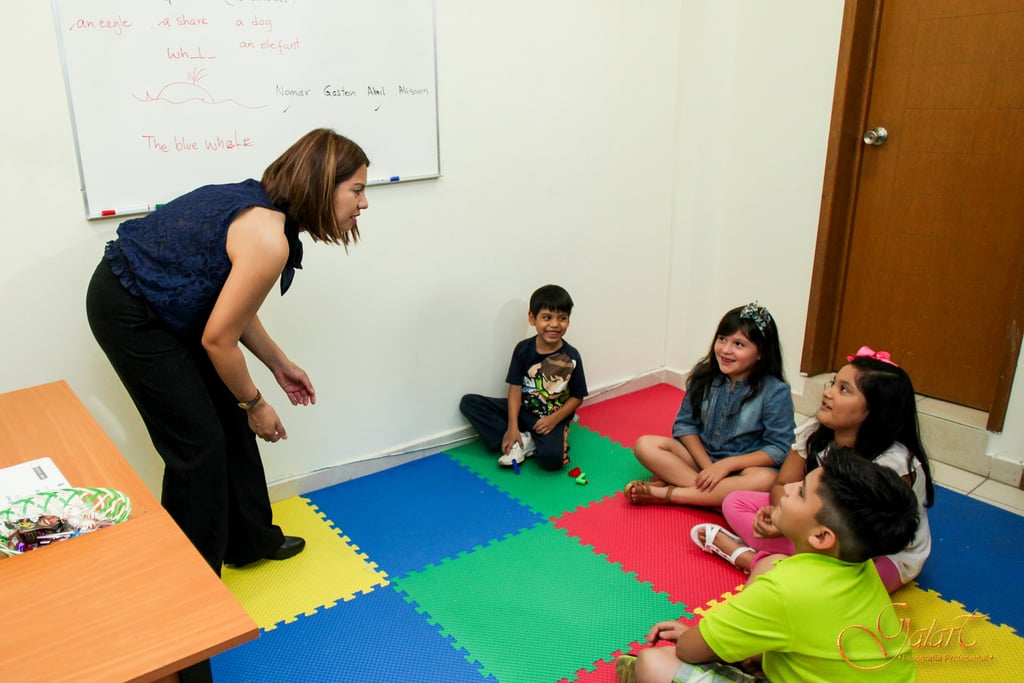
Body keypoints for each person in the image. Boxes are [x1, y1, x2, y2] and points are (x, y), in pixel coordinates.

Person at [86, 129, 370, 575]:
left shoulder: (265, 209)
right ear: (321, 184)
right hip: (131, 308)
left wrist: (279, 365)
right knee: (198, 447)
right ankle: (191, 588)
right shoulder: (267, 236)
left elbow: (228, 310)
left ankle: (249, 541)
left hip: (172, 302)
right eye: (356, 190)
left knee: (228, 423)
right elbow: (219, 339)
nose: (364, 203)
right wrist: (255, 404)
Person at [616, 448, 920, 683]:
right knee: (770, 563)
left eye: (800, 492)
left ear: (821, 536)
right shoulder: (860, 565)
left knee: (652, 664)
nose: (788, 488)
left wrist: (696, 637)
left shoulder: (783, 589)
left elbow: (688, 651)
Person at [692, 347, 934, 593]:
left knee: (844, 587)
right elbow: (781, 484)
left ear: (875, 411)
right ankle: (788, 565)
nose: (827, 393)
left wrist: (794, 529)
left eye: (844, 389)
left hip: (869, 552)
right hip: (818, 528)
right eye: (833, 383)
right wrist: (779, 517)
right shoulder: (816, 433)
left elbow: (869, 539)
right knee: (734, 502)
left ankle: (751, 559)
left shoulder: (892, 465)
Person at [624, 303, 794, 507]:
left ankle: (671, 494)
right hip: (700, 460)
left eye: (739, 344)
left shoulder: (775, 391)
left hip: (741, 469)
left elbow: (779, 448)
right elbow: (685, 426)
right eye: (722, 339)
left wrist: (727, 465)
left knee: (766, 480)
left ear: (761, 353)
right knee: (645, 445)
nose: (726, 350)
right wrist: (708, 468)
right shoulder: (703, 374)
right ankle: (716, 502)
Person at [459, 284, 588, 471]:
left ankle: (528, 442)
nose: (554, 324)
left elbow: (577, 397)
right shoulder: (523, 349)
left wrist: (554, 420)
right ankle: (516, 441)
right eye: (547, 317)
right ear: (532, 318)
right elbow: (515, 388)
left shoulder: (572, 356)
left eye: (562, 318)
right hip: (523, 411)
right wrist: (512, 426)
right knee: (469, 403)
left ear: (568, 320)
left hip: (550, 417)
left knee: (552, 462)